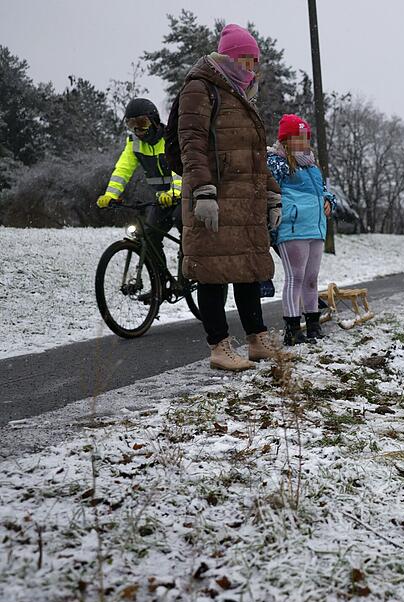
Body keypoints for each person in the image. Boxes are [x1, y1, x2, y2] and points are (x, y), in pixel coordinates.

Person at [177, 23, 282, 371]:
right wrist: (202, 192)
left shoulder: (243, 95)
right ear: (230, 58)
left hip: (246, 202)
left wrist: (272, 195)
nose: (252, 68)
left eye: (255, 62)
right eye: (247, 60)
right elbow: (191, 145)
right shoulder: (201, 88)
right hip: (216, 199)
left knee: (248, 270)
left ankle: (257, 340)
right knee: (213, 272)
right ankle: (219, 347)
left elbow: (256, 156)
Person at [267, 114, 336, 345]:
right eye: (298, 137)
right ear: (285, 139)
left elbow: (323, 191)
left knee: (311, 279)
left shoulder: (312, 166)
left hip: (316, 228)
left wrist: (329, 200)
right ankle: (293, 329)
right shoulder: (276, 162)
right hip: (293, 229)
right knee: (295, 277)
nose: (304, 141)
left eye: (306, 137)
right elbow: (270, 193)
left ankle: (314, 325)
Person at [97, 98, 182, 283]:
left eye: (142, 123)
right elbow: (122, 170)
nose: (137, 129)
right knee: (149, 237)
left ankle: (187, 273)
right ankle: (161, 284)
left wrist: (175, 192)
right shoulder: (134, 143)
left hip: (183, 194)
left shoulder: (171, 138)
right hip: (161, 198)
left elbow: (180, 169)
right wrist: (110, 194)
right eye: (131, 124)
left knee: (184, 225)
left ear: (154, 121)